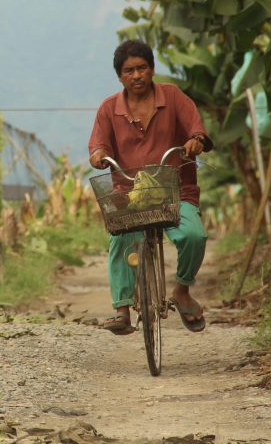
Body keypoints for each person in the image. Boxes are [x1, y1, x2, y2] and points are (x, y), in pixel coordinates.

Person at [89, 39, 212, 334]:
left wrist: (196, 140)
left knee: (194, 235)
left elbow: (197, 127)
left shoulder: (172, 97)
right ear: (120, 76)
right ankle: (121, 309)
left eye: (142, 68)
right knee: (120, 238)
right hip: (129, 194)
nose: (136, 75)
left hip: (176, 190)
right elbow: (98, 144)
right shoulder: (108, 108)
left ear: (152, 69)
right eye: (129, 70)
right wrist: (97, 155)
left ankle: (182, 290)